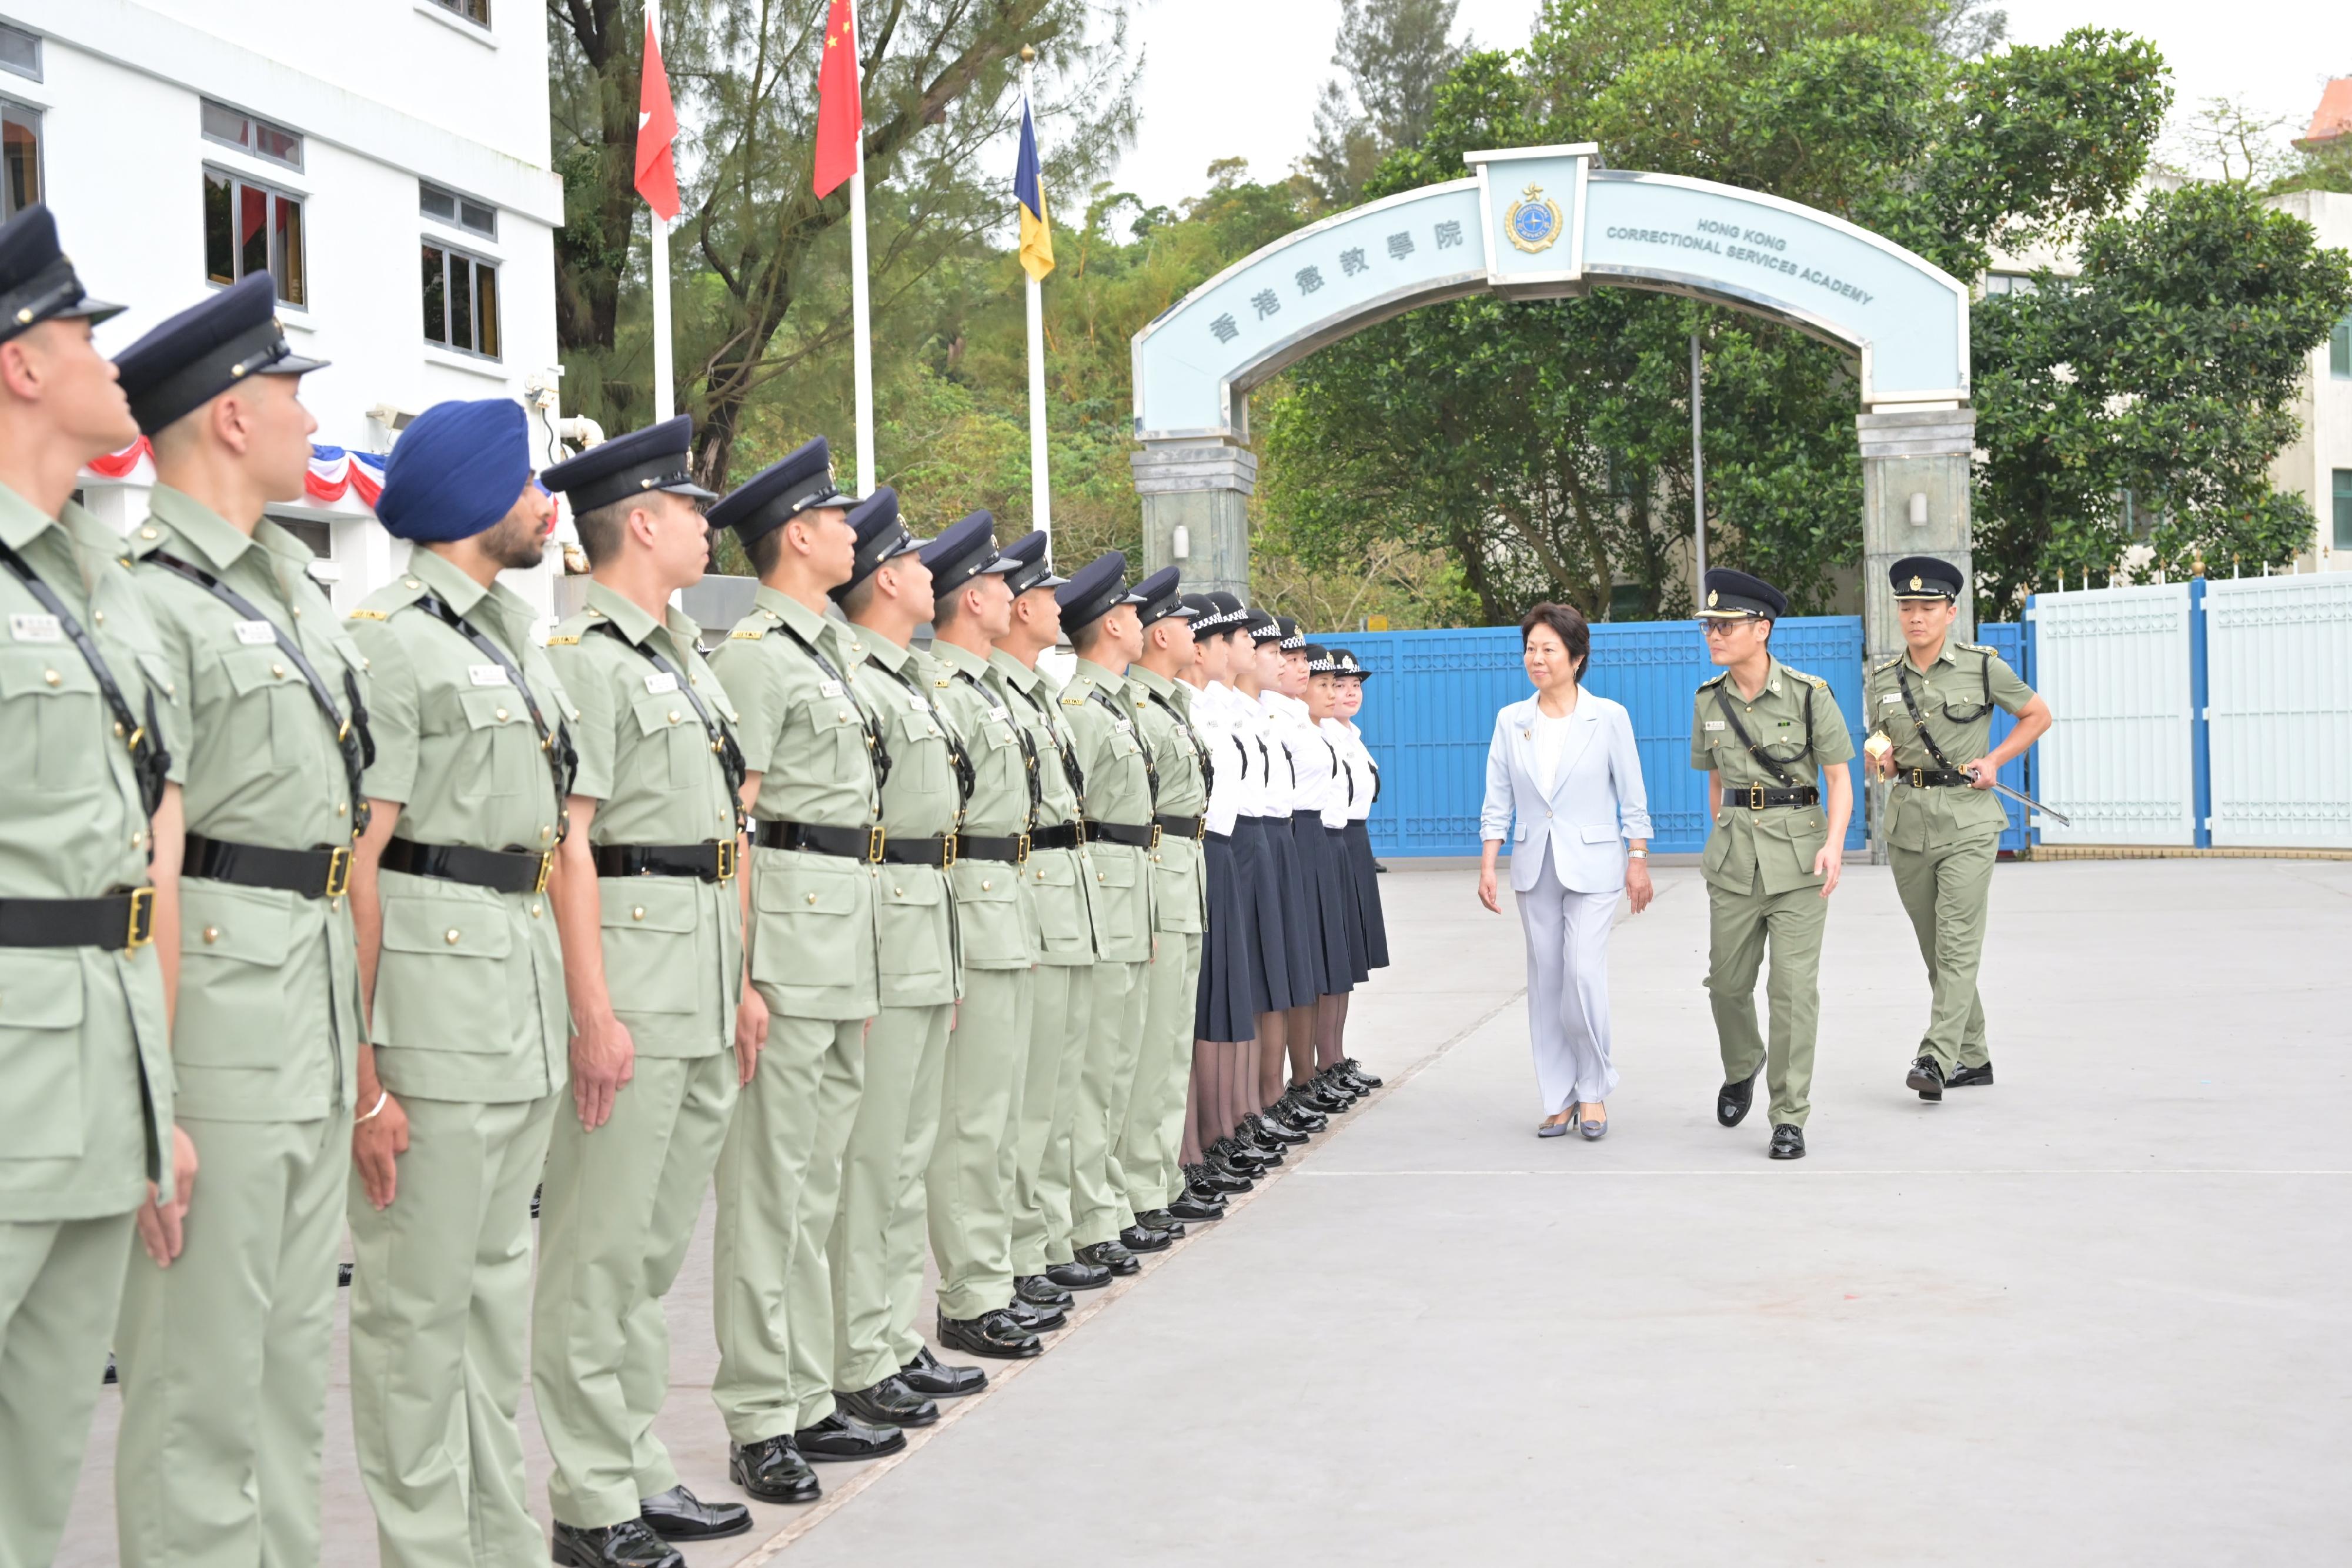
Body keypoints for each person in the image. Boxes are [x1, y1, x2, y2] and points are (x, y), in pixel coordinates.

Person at [111, 273, 362, 1568]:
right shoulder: (147, 593)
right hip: (216, 1007)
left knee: (279, 1364)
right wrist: (155, 1096)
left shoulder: (290, 590)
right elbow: (147, 860)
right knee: (197, 1379)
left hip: (306, 1001)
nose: (304, 416)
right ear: (222, 416)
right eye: (286, 392)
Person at [342, 399, 577, 1568]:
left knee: (491, 1302)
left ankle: (501, 1542)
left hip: (513, 993)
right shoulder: (389, 638)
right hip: (431, 1015)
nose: (545, 502)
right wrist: (364, 1073)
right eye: (528, 480)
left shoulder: (504, 636)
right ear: (475, 497)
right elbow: (358, 861)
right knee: (413, 1315)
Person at [533, 416, 753, 1568]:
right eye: (695, 507)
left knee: (654, 1245)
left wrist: (745, 980)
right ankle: (587, 1497)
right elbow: (570, 846)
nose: (711, 523)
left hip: (701, 972)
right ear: (646, 521)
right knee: (596, 1250)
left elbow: (728, 829)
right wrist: (593, 1009)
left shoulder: (679, 655)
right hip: (635, 972)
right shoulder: (587, 661)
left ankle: (634, 1458)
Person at [0, 203, 181, 1568]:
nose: (111, 363)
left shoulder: (100, 577)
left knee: (47, 1426)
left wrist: (158, 1106)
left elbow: (141, 847)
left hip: (97, 1051)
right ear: (20, 362)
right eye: (83, 336)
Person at [703, 440, 897, 1505]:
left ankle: (813, 1392)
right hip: (788, 937)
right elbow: (739, 822)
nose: (852, 532)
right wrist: (742, 973)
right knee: (770, 1192)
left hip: (847, 935)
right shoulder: (756, 655)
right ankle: (759, 1414)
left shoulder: (827, 650)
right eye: (834, 517)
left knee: (818, 1182)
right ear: (795, 535)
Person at [827, 487, 1013, 1435]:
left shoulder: (901, 679)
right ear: (881, 580)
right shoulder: (856, 676)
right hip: (880, 921)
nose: (926, 576)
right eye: (910, 561)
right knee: (876, 1156)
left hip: (923, 915)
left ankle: (891, 1338)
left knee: (903, 1150)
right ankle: (862, 1348)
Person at [919, 513, 1065, 1355]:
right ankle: (973, 1289)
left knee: (1007, 1106)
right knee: (971, 1116)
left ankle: (998, 1270)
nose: (1018, 598)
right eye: (1007, 585)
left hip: (1011, 893)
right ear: (974, 598)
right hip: (971, 896)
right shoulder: (943, 687)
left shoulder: (985, 689)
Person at [1864, 556, 2052, 1102]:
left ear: (1950, 611)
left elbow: (2037, 715)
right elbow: (1879, 746)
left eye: (1927, 607)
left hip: (1968, 820)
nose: (1916, 617)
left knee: (1957, 945)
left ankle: (1936, 1055)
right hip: (1908, 824)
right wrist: (1883, 762)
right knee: (1935, 949)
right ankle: (1974, 1055)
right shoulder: (1882, 680)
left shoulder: (1982, 666)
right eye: (1907, 607)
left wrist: (1994, 760)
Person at [1692, 568, 1854, 1162]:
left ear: (1761, 629)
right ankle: (1742, 1063)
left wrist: (1834, 844)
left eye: (1726, 624)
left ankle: (1788, 1115)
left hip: (1799, 860)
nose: (1714, 634)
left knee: (1792, 992)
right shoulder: (1708, 700)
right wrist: (1723, 838)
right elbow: (1715, 783)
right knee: (1726, 986)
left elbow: (1839, 779)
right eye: (1710, 625)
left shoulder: (1811, 696)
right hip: (1734, 863)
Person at [985, 533, 1107, 1307]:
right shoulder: (988, 689)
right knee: (1013, 1104)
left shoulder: (1036, 691)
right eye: (1044, 592)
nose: (1060, 605)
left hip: (1062, 892)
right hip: (1015, 895)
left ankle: (1042, 1236)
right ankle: (1016, 1251)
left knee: (1057, 1089)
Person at [1478, 602, 1653, 1139]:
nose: (1537, 658)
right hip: (1534, 864)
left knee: (1581, 974)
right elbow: (1498, 797)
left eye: (1548, 649)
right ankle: (1559, 1096)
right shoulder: (1513, 720)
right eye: (1531, 648)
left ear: (1576, 658)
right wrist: (1488, 863)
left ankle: (1593, 1090)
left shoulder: (1609, 717)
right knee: (1547, 981)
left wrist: (1638, 858)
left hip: (1598, 864)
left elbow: (1632, 793)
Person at [1053, 554, 1165, 1276]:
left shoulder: (1117, 705)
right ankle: (1091, 1213)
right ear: (1112, 623)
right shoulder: (1082, 710)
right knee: (1092, 1070)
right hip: (1100, 885)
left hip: (1136, 881)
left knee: (1126, 1061)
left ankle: (1116, 1201)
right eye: (1129, 611)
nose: (1142, 622)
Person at [1118, 570, 1219, 1234]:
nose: (1197, 635)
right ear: (1161, 634)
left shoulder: (1171, 705)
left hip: (1186, 872)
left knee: (1168, 1046)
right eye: (1187, 623)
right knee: (1140, 1052)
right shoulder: (1132, 708)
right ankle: (1136, 1189)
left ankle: (1159, 1178)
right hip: (1150, 880)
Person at [1174, 593, 1252, 1213]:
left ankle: (1218, 1132)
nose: (1243, 649)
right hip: (1191, 852)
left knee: (1223, 997)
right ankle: (1192, 1148)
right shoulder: (1185, 708)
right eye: (1231, 639)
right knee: (1194, 1008)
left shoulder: (1220, 708)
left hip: (1223, 850)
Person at [1322, 648, 1387, 1095]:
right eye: (1338, 685)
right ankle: (1324, 1064)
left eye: (1355, 685)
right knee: (1332, 959)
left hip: (1356, 841)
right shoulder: (1324, 736)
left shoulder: (1352, 736)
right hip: (1334, 840)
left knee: (1347, 960)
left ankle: (1337, 1057)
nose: (1348, 693)